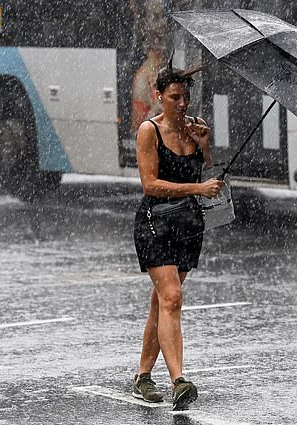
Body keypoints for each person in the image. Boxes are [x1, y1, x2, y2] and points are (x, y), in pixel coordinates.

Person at [131, 57, 225, 410]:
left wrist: (204, 148)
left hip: (187, 227)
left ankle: (142, 376)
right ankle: (179, 381)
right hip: (155, 224)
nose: (181, 104)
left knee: (162, 302)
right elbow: (150, 185)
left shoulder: (194, 129)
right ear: (158, 96)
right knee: (171, 297)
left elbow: (210, 175)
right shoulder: (148, 131)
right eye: (174, 97)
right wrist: (196, 189)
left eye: (184, 97)